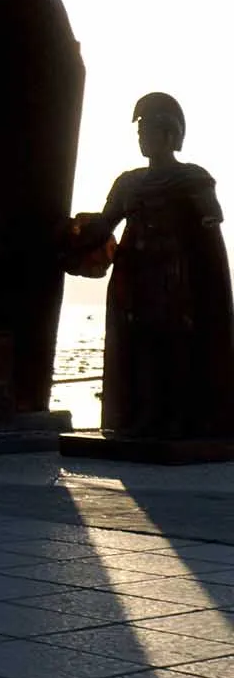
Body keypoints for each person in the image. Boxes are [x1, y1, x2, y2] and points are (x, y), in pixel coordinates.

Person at [69, 93, 234, 440]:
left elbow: (210, 222)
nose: (142, 139)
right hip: (134, 277)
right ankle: (144, 416)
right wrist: (70, 235)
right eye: (140, 133)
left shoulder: (192, 179)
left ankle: (178, 418)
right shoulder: (128, 183)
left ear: (170, 136)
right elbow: (106, 223)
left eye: (149, 132)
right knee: (139, 344)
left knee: (174, 343)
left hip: (173, 276)